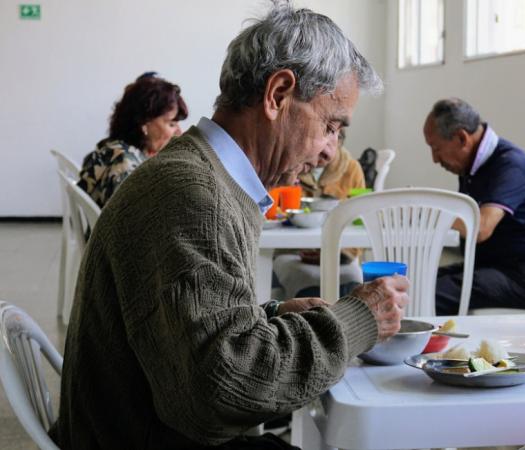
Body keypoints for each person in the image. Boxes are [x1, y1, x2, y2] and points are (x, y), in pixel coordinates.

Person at [50, 3, 409, 450]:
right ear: (278, 93)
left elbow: (181, 333)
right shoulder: (193, 194)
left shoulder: (202, 176)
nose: (329, 153)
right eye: (331, 126)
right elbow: (224, 392)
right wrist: (359, 318)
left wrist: (268, 318)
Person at [423, 98, 525, 315]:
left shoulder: (512, 165)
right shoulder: (473, 166)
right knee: (412, 283)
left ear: (462, 138)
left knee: (424, 294)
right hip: (486, 267)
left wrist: (426, 211)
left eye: (436, 148)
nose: (434, 159)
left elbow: (480, 228)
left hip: (517, 277)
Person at [273, 129, 366, 299]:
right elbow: (273, 213)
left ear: (340, 142)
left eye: (331, 144)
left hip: (340, 255)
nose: (323, 155)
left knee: (352, 282)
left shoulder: (351, 169)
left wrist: (340, 255)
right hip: (293, 252)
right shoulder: (291, 167)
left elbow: (359, 220)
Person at [78, 72, 188, 208]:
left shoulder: (114, 149)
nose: (179, 132)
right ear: (145, 123)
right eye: (171, 124)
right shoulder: (125, 166)